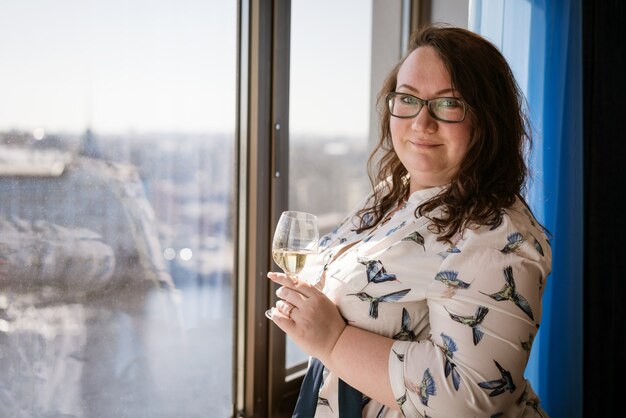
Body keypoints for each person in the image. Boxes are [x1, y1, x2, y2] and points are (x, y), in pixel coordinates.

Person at [266, 24, 551, 418]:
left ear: (488, 120)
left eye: (449, 104)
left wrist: (332, 341)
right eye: (408, 98)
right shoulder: (393, 193)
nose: (422, 123)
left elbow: (468, 398)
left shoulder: (498, 236)